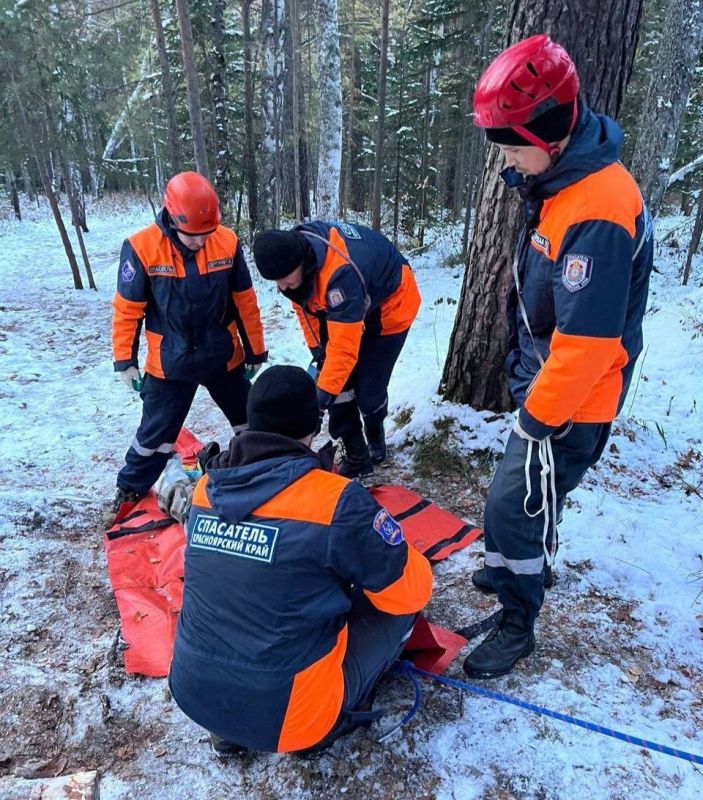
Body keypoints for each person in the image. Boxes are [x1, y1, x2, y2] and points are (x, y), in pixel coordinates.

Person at [464, 35, 654, 679]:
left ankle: (518, 622)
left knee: (514, 505)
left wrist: (536, 417)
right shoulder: (563, 181)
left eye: (513, 146)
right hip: (548, 384)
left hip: (572, 401)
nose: (507, 163)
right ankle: (516, 569)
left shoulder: (597, 207)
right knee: (529, 503)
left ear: (550, 131)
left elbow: (589, 343)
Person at [163, 365, 433, 755]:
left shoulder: (206, 489)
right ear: (314, 424)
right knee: (397, 602)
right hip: (292, 717)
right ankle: (320, 727)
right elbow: (410, 592)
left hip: (195, 694)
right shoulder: (335, 500)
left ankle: (233, 728)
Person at [105, 172, 267, 527]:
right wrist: (124, 361)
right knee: (155, 436)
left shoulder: (226, 242)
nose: (201, 242)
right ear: (172, 217)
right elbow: (127, 309)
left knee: (252, 421)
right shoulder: (142, 248)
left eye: (206, 234)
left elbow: (245, 302)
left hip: (222, 354)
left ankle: (268, 476)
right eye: (194, 236)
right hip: (170, 363)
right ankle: (130, 490)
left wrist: (256, 351)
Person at [251, 221, 421, 478]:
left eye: (285, 278)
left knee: (368, 389)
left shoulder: (339, 276)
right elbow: (305, 309)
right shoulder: (295, 267)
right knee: (335, 381)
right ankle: (356, 455)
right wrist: (318, 350)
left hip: (390, 305)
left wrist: (318, 403)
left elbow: (343, 352)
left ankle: (374, 430)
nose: (282, 286)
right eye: (277, 282)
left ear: (301, 263)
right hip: (348, 306)